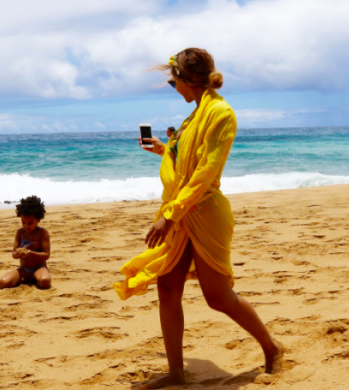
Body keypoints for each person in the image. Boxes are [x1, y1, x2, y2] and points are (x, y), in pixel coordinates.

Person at [114, 48, 282, 389]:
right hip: (180, 213)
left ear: (188, 80)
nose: (172, 86)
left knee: (217, 297)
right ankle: (176, 372)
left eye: (172, 80)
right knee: (167, 287)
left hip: (203, 213)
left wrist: (170, 216)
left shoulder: (221, 113)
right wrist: (164, 149)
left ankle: (271, 347)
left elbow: (205, 173)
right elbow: (187, 160)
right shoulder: (194, 115)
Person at [0, 195, 52, 289]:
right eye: (23, 222)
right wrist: (18, 254)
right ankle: (26, 278)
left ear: (38, 219)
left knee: (45, 281)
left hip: (39, 268)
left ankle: (37, 277)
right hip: (24, 270)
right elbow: (14, 254)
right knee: (3, 283)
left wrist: (32, 253)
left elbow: (46, 255)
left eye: (30, 223)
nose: (27, 226)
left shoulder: (42, 233)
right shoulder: (20, 233)